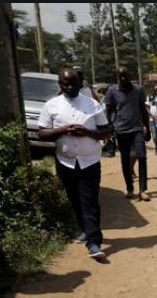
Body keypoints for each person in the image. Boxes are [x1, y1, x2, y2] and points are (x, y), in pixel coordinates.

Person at [38, 68, 111, 260]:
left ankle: (94, 242)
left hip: (90, 161)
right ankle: (87, 229)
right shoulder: (51, 106)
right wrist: (62, 130)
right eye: (65, 84)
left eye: (73, 83)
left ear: (80, 83)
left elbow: (105, 132)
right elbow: (42, 133)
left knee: (89, 200)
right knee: (74, 199)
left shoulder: (92, 104)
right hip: (66, 162)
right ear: (59, 84)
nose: (70, 87)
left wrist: (86, 132)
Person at [104, 66, 151, 201]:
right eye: (121, 77)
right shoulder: (112, 91)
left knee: (142, 157)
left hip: (137, 129)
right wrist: (109, 128)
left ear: (129, 76)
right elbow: (108, 111)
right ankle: (130, 188)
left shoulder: (138, 90)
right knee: (125, 159)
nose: (123, 79)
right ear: (118, 77)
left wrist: (147, 128)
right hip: (121, 130)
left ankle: (143, 190)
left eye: (125, 76)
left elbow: (143, 110)